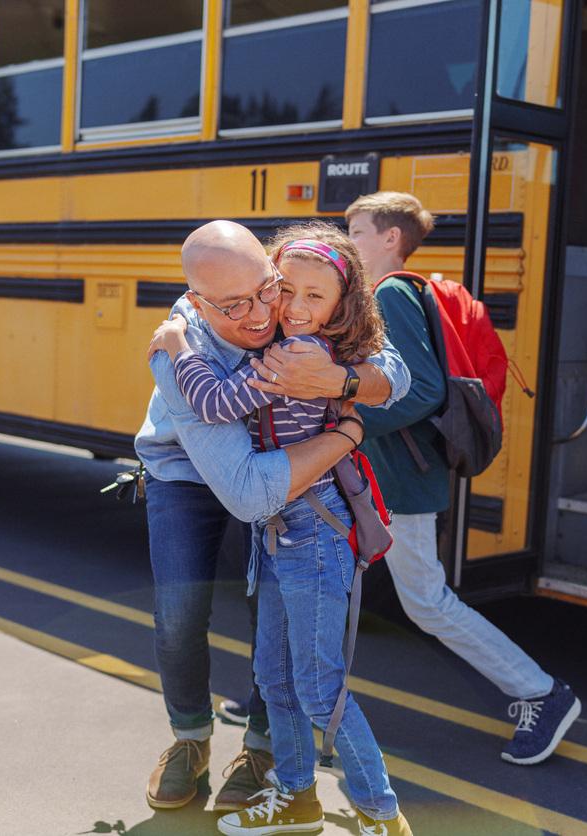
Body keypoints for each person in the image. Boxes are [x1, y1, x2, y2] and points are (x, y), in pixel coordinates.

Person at [133, 220, 409, 813]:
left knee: (274, 626)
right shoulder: (181, 341)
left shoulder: (293, 304)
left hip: (278, 475)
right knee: (178, 614)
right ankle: (190, 738)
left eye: (268, 290)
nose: (261, 314)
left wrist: (345, 381)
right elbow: (245, 491)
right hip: (190, 472)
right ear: (198, 303)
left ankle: (262, 749)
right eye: (236, 306)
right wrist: (348, 432)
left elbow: (395, 373)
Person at [345, 191, 581, 766]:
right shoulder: (385, 295)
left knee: (426, 602)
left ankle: (541, 693)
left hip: (402, 478)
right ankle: (285, 701)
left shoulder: (392, 293)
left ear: (389, 239)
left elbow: (422, 391)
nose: (346, 243)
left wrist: (347, 417)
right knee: (330, 586)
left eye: (355, 233)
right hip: (388, 474)